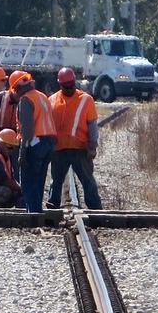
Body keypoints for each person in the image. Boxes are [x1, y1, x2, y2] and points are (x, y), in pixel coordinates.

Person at [47, 68, 102, 210]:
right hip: (59, 149)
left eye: (71, 85)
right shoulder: (52, 100)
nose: (70, 88)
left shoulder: (86, 99)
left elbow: (92, 125)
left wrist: (92, 146)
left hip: (80, 149)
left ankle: (95, 208)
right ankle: (52, 206)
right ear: (60, 85)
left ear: (75, 82)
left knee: (88, 181)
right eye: (66, 86)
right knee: (56, 181)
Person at [10, 70, 56, 212]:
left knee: (28, 182)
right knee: (39, 180)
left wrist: (22, 153)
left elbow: (27, 130)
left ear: (16, 88)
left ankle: (34, 214)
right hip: (50, 142)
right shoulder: (42, 96)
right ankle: (37, 211)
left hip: (35, 143)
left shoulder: (25, 100)